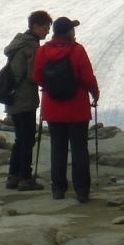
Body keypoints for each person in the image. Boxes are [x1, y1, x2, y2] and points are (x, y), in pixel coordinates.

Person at [33, 17, 100, 202]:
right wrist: (95, 93)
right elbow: (87, 76)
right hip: (76, 107)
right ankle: (82, 190)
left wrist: (51, 87)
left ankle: (58, 188)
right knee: (79, 149)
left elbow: (37, 76)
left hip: (53, 107)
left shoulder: (44, 51)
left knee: (58, 147)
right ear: (69, 31)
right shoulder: (77, 50)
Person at [2, 10, 51, 191]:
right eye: (45, 27)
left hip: (12, 97)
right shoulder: (32, 47)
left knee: (20, 138)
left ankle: (13, 176)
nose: (47, 31)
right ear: (36, 26)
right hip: (25, 98)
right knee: (27, 138)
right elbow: (33, 75)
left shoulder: (18, 43)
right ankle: (25, 177)